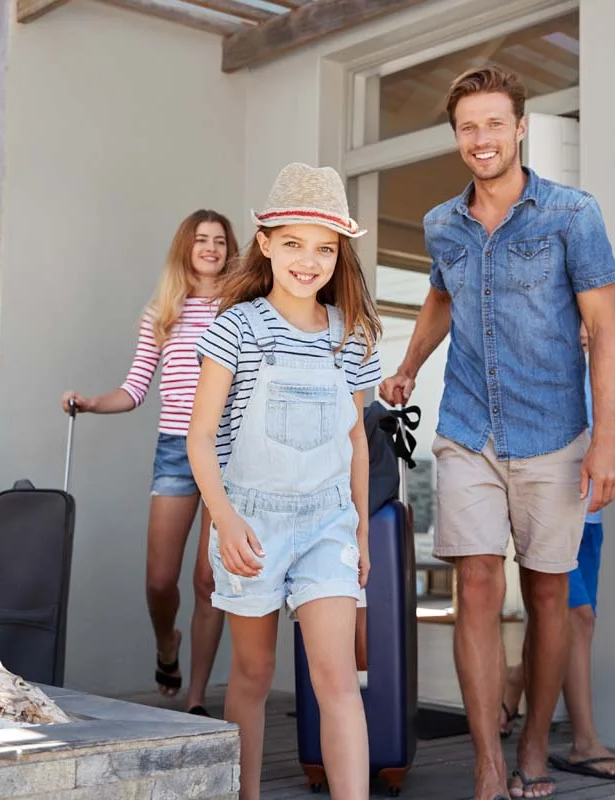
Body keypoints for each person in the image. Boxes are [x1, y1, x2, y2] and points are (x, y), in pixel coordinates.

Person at [380, 65, 615, 800]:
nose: (480, 139)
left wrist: (607, 437)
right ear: (456, 136)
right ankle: (488, 762)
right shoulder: (441, 224)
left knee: (550, 594)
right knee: (476, 582)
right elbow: (439, 299)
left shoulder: (572, 214)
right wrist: (407, 364)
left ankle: (533, 749)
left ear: (520, 127)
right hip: (467, 427)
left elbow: (605, 332)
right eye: (467, 127)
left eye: (494, 124)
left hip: (553, 429)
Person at [188, 163, 382, 800]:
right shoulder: (235, 328)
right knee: (252, 671)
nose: (309, 261)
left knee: (337, 679)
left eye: (324, 248)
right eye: (294, 244)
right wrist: (224, 519)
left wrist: (360, 535)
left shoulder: (350, 336)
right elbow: (200, 440)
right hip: (252, 522)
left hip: (328, 523)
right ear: (265, 243)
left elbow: (356, 441)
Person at [62, 209, 238, 716]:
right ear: (186, 248)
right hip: (177, 450)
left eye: (220, 241)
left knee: (209, 581)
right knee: (161, 580)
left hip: (229, 453)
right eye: (201, 240)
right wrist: (93, 402)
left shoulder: (243, 307)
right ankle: (168, 645)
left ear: (230, 251)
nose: (210, 248)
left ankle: (198, 699)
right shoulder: (163, 312)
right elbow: (136, 388)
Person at [500, 323, 615, 782]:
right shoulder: (536, 377)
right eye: (573, 320)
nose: (581, 331)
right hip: (550, 518)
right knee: (575, 621)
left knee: (573, 626)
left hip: (592, 528)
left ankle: (517, 679)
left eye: (587, 323)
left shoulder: (604, 387)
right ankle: (585, 742)